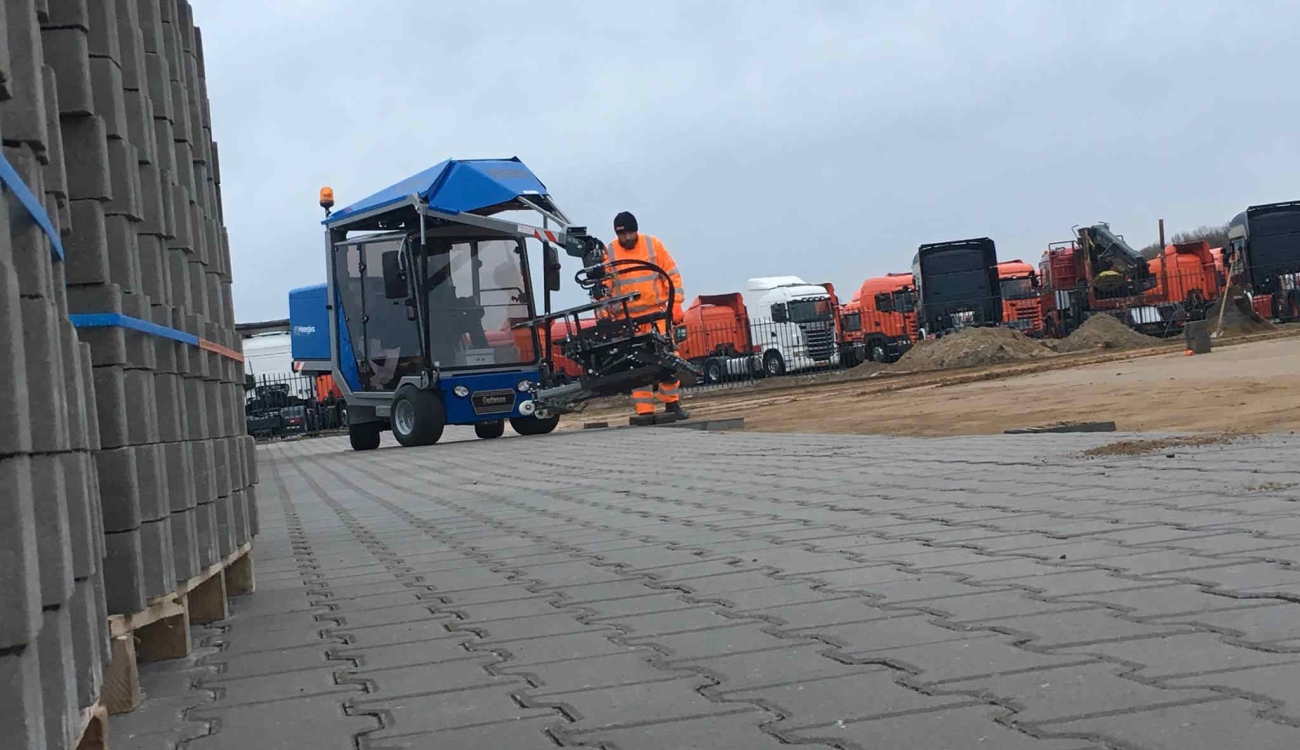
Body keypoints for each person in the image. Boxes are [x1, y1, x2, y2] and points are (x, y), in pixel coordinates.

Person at [606, 211, 689, 425]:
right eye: (622, 235)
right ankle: (644, 410)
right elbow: (604, 288)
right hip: (629, 320)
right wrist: (605, 314)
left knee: (669, 358)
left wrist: (676, 304)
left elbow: (671, 275)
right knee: (637, 365)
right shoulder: (610, 252)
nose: (626, 238)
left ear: (636, 230)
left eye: (629, 233)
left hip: (657, 315)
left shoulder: (653, 245)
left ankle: (671, 402)